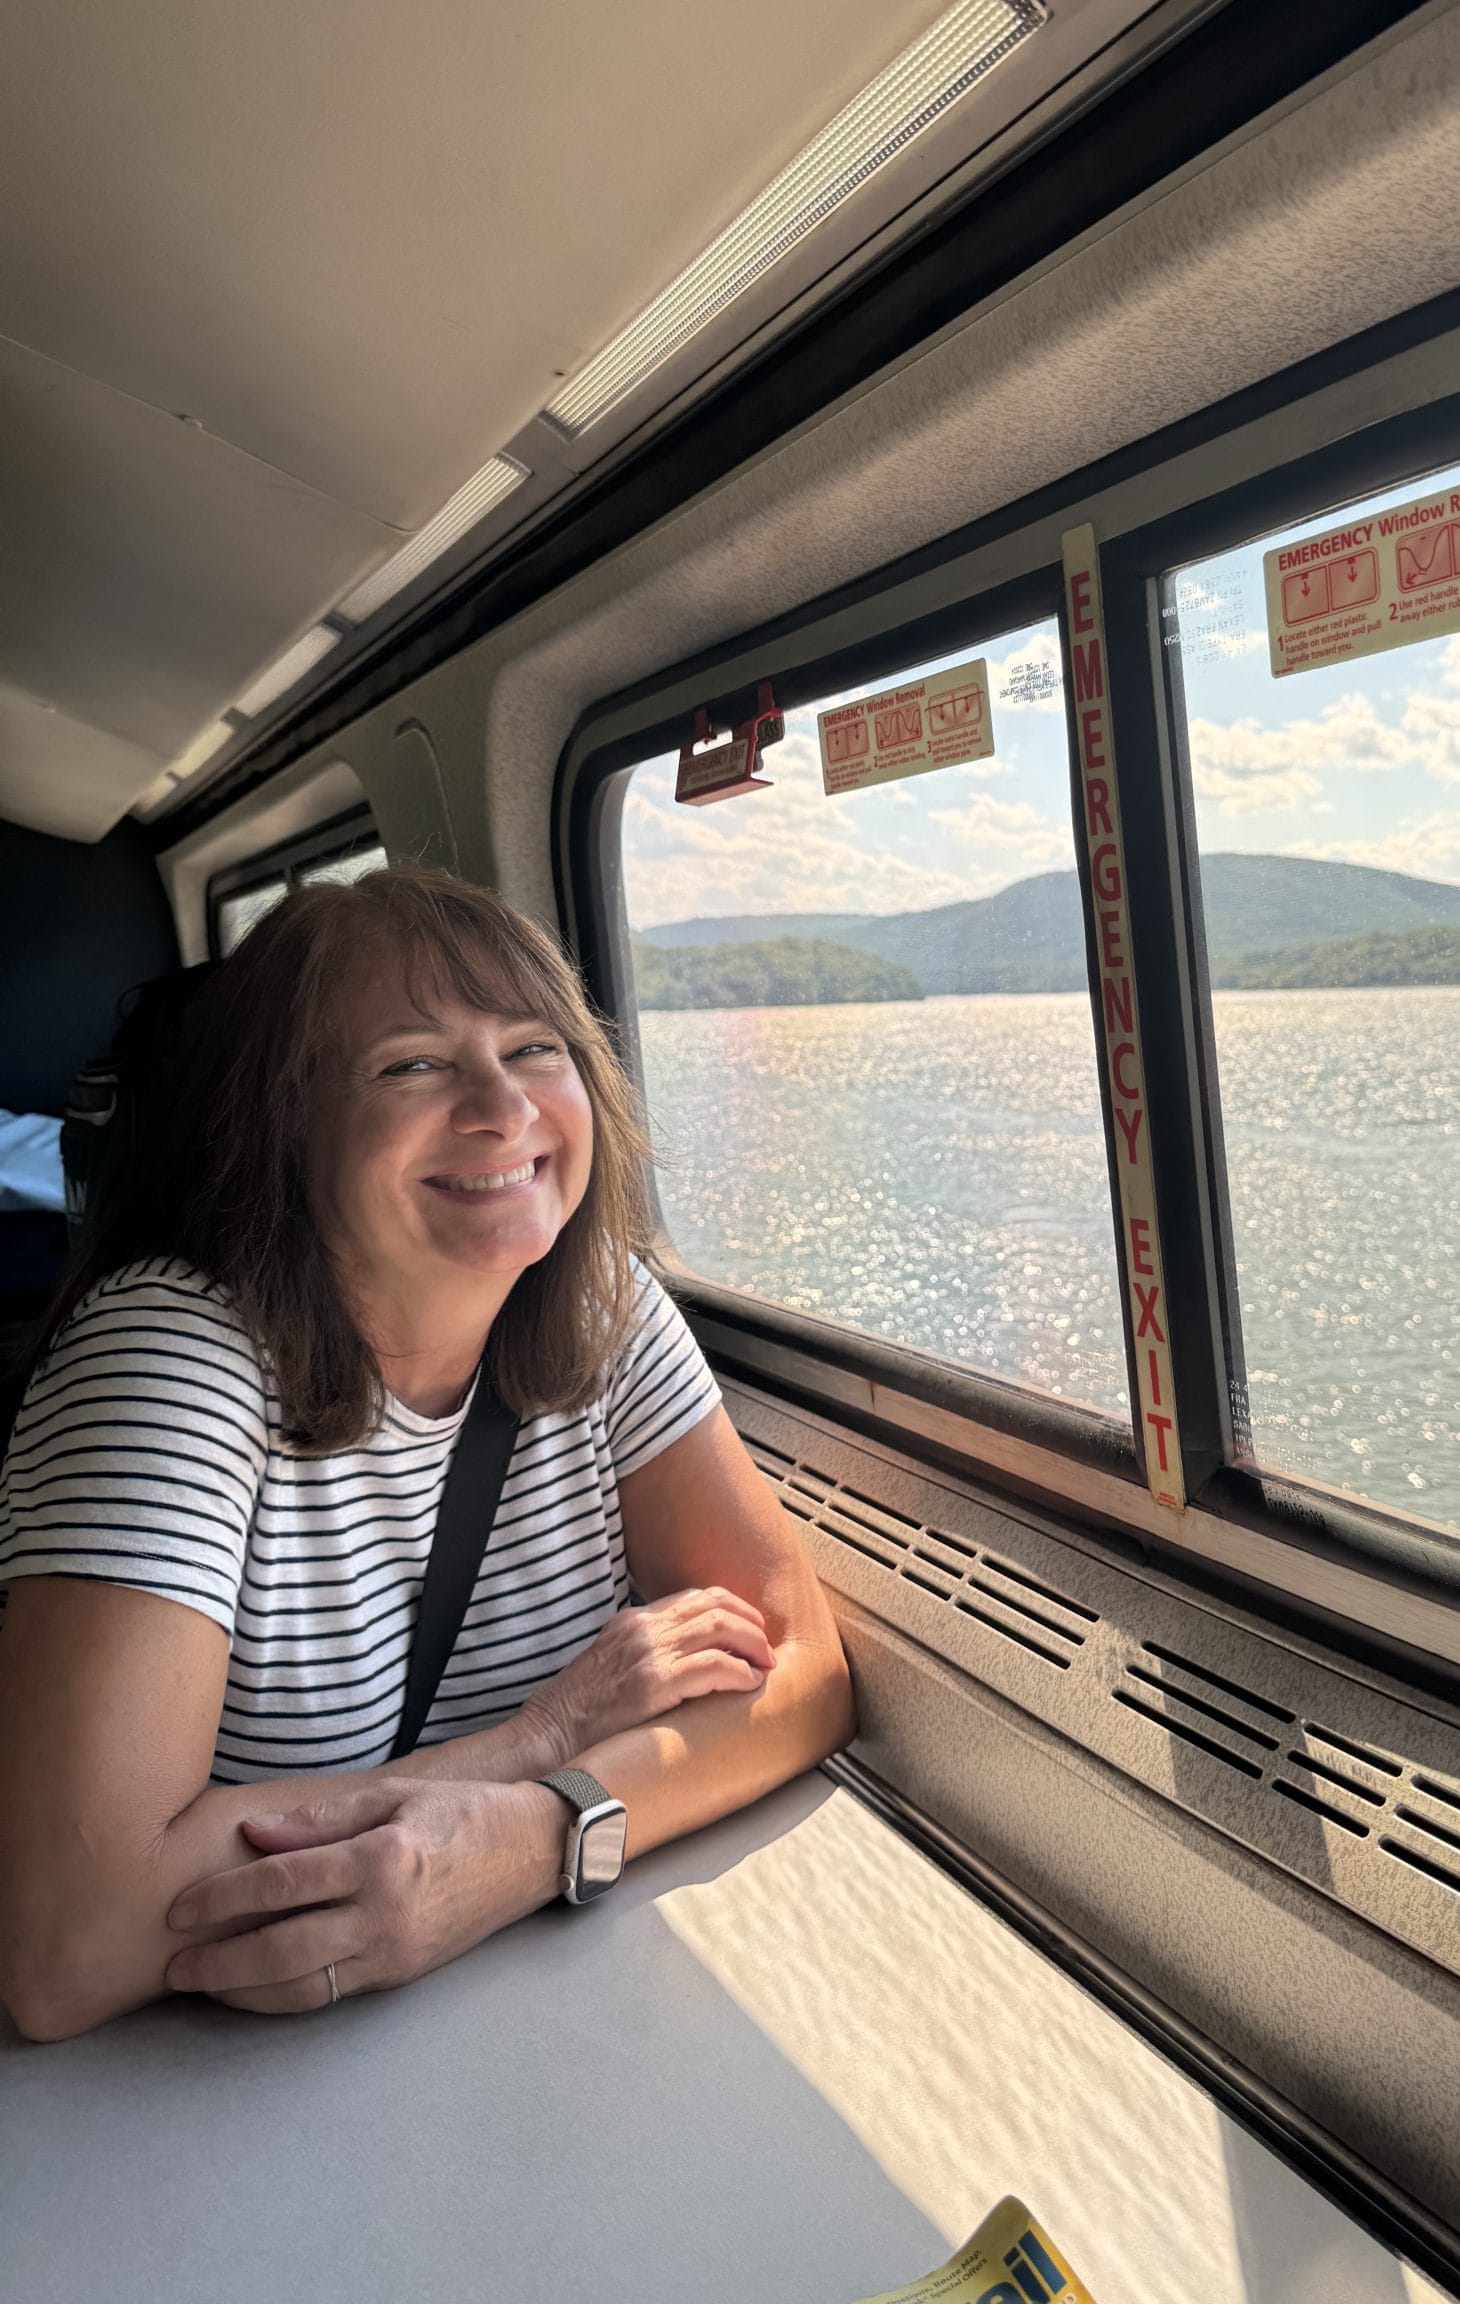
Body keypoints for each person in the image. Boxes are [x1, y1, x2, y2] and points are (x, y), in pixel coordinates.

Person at [0, 869, 853, 2040]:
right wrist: (542, 1737)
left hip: (524, 2020)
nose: (502, 1110)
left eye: (534, 1047)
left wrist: (540, 1836)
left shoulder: (605, 1304)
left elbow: (804, 1671)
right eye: (412, 1064)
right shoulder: (172, 1354)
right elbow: (70, 1938)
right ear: (284, 1120)